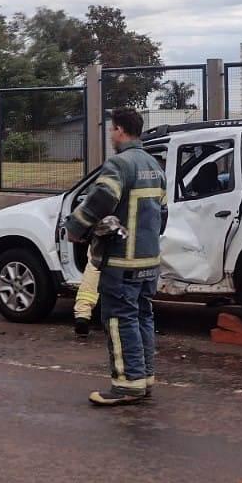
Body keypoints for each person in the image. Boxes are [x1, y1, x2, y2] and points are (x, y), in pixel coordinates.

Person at [65, 108, 168, 407]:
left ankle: (126, 384)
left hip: (122, 263)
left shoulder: (119, 165)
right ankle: (144, 377)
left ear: (120, 130)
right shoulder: (154, 165)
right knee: (142, 317)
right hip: (149, 261)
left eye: (112, 129)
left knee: (120, 320)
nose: (110, 135)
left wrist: (75, 227)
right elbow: (162, 215)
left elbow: (101, 199)